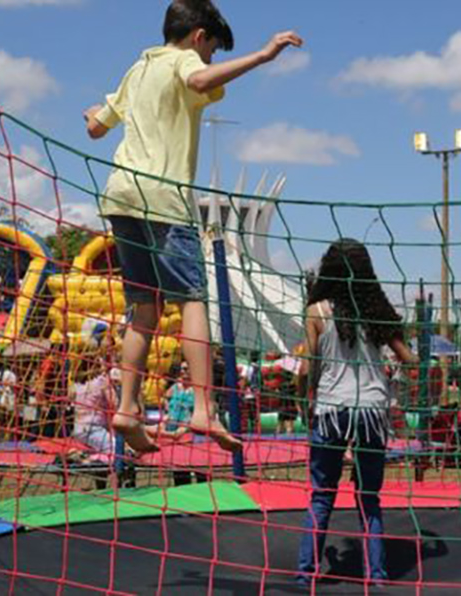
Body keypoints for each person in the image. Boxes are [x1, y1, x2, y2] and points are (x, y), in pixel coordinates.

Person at [84, 0, 303, 453]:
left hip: (121, 198)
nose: (211, 61)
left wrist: (93, 114)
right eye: (213, 50)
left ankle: (126, 407)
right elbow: (199, 78)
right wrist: (263, 57)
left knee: (143, 307)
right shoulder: (186, 61)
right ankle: (204, 408)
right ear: (199, 37)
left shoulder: (138, 67)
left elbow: (96, 128)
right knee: (192, 300)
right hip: (163, 199)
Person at [296, 238, 418, 587]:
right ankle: (375, 576)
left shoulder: (317, 310)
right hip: (371, 410)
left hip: (332, 408)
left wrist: (306, 401)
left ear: (328, 270)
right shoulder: (374, 308)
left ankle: (307, 574)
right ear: (365, 273)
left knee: (321, 495)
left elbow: (311, 366)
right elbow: (409, 358)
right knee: (369, 498)